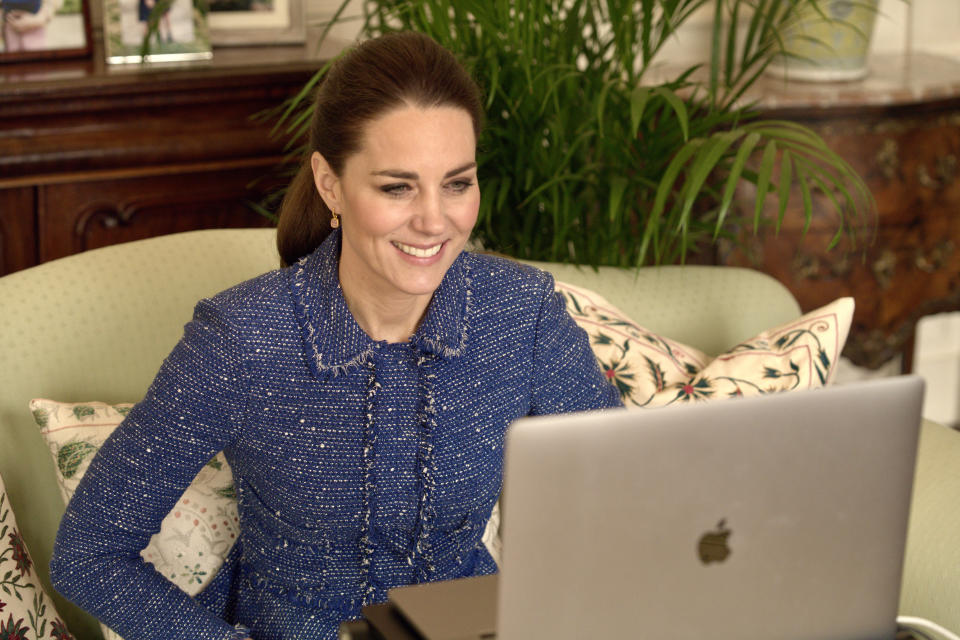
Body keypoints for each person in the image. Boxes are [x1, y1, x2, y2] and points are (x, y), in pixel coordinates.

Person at [49, 31, 623, 640]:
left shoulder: (521, 312)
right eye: (397, 187)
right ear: (330, 184)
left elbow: (625, 487)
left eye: (457, 183)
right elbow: (89, 555)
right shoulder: (242, 340)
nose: (435, 219)